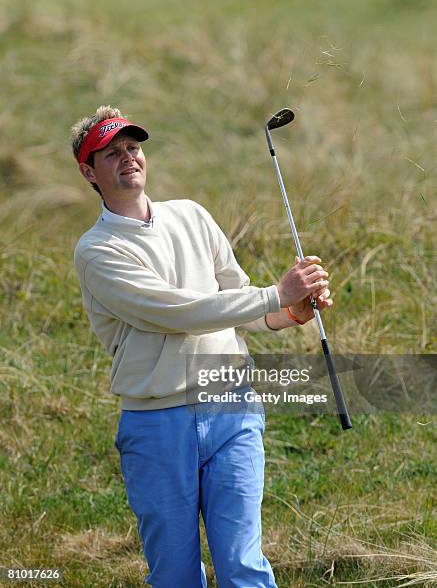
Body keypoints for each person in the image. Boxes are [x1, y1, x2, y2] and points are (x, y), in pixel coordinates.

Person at [71, 105, 332, 587]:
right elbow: (179, 311)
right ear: (89, 171)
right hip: (157, 423)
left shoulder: (191, 215)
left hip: (233, 409)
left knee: (244, 568)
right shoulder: (97, 250)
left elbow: (238, 300)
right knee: (175, 576)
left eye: (133, 148)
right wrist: (276, 293)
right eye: (112, 153)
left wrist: (291, 310)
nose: (128, 157)